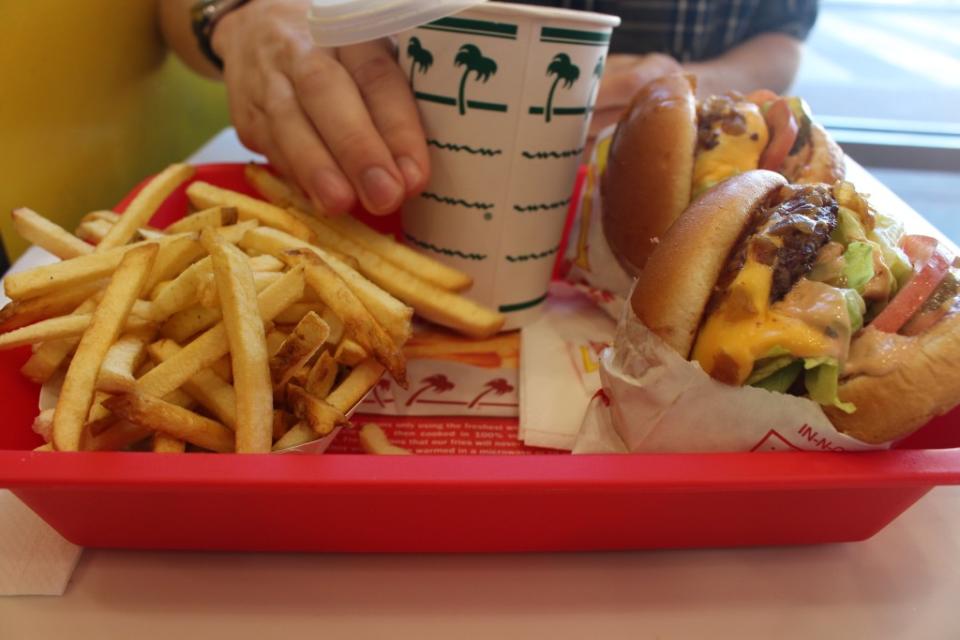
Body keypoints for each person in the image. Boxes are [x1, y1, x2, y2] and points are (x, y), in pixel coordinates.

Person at [160, 0, 818, 215]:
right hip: (373, 180)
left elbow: (783, 34)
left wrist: (679, 85)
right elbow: (167, 14)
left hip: (664, 205)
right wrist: (239, 15)